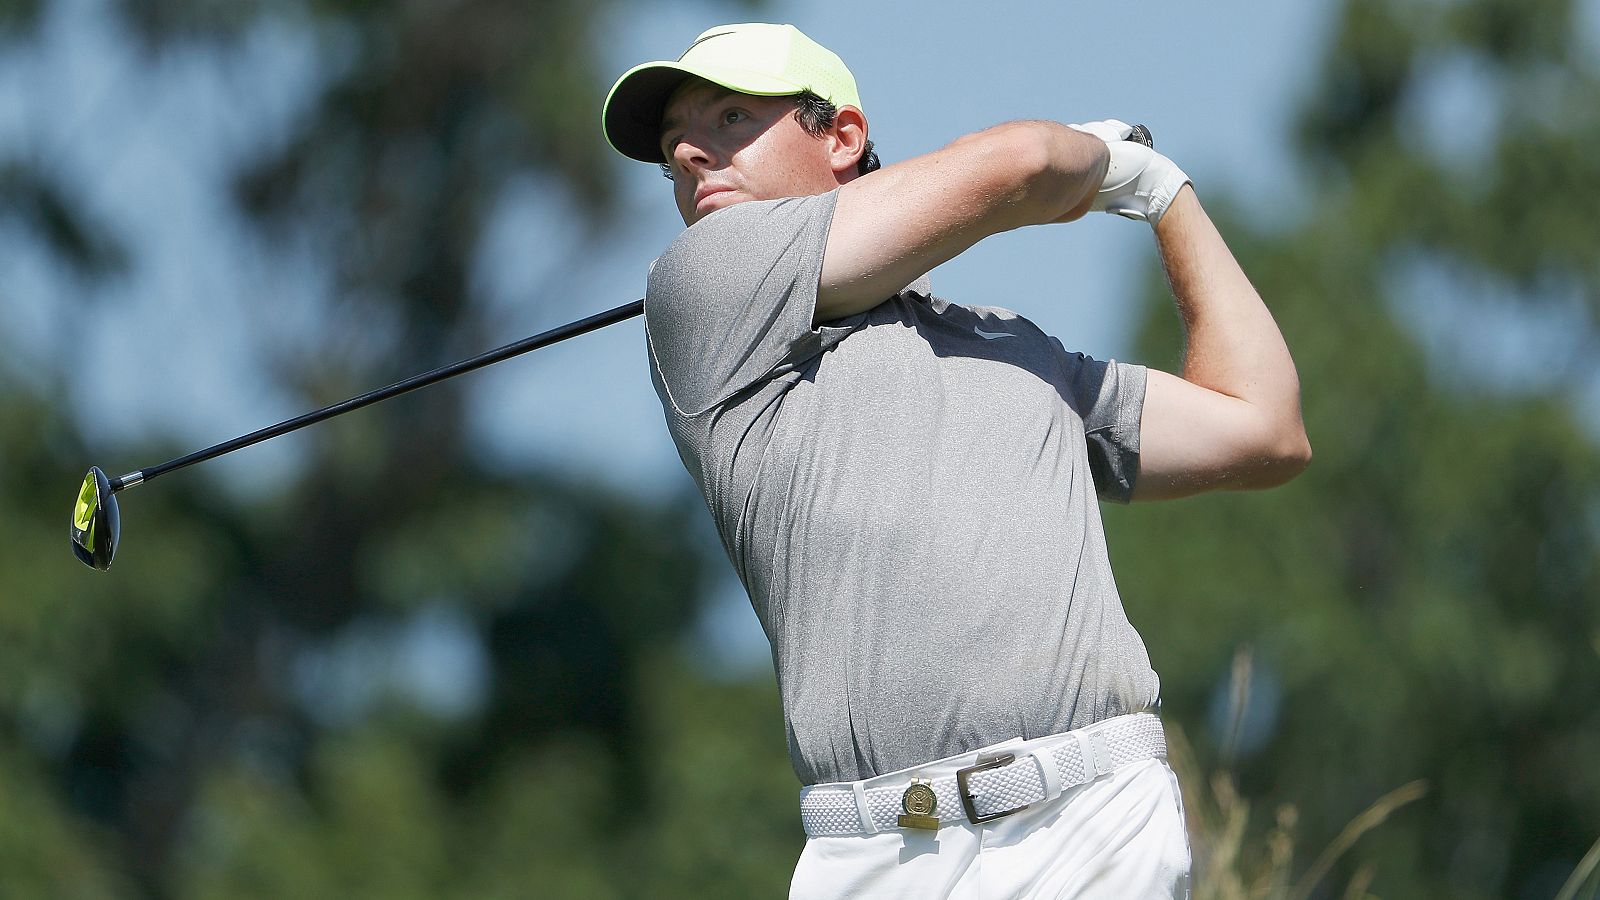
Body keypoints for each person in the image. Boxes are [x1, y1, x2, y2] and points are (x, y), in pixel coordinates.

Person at [602, 22, 1309, 899]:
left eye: (732, 118)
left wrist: (1167, 197)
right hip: (873, 856)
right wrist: (1101, 158)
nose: (692, 156)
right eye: (674, 152)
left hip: (1090, 822)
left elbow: (1264, 428)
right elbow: (1014, 166)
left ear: (844, 137)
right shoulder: (701, 287)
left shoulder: (1014, 350)